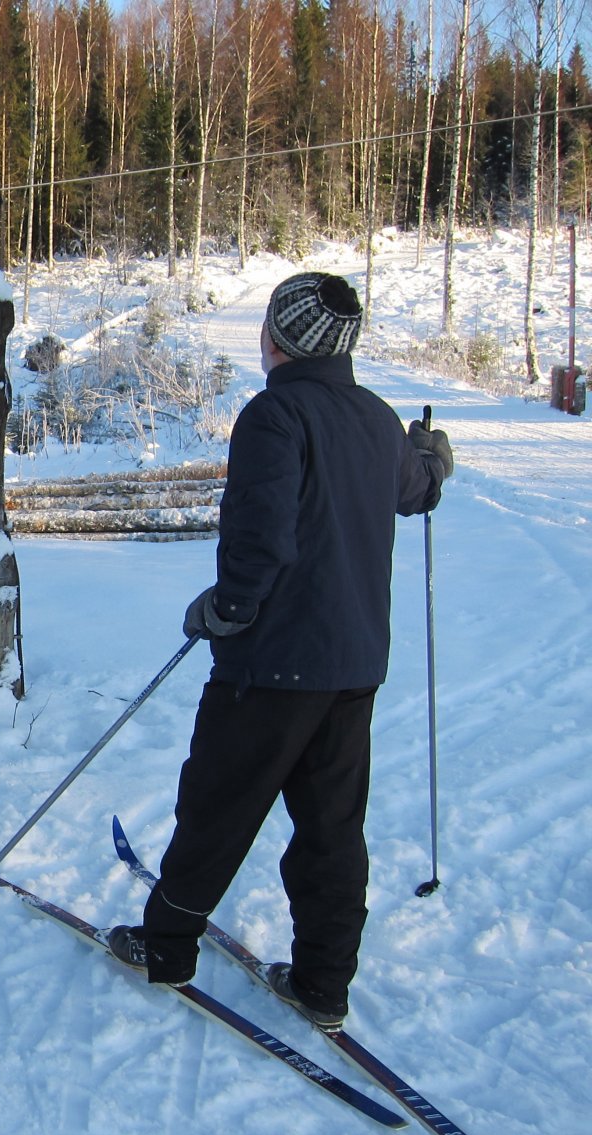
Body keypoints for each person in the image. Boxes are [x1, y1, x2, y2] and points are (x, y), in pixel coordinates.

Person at [107, 271, 453, 1031]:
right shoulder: (376, 417)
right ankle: (324, 982)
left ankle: (167, 945)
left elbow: (261, 538)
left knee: (217, 807)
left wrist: (226, 608)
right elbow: (417, 491)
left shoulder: (274, 415)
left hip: (271, 663)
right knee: (331, 828)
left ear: (278, 337)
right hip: (352, 666)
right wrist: (431, 458)